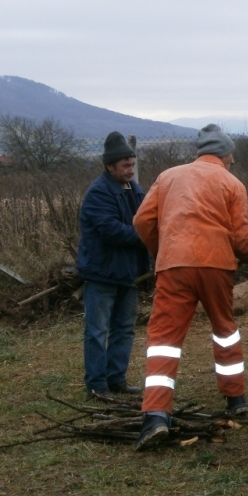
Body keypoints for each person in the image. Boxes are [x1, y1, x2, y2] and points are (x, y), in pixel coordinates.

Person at [132, 124, 248, 451]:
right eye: (232, 154)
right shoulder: (231, 183)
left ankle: (155, 416)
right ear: (224, 153)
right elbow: (240, 240)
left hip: (173, 265)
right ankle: (236, 400)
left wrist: (162, 250)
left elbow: (141, 222)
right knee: (225, 330)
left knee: (163, 340)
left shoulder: (167, 177)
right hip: (216, 264)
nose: (233, 160)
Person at [78, 131, 150, 401]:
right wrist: (148, 235)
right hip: (102, 273)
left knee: (124, 329)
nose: (130, 170)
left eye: (132, 164)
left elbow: (147, 219)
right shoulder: (98, 193)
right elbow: (113, 232)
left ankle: (116, 379)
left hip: (129, 273)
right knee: (97, 332)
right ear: (110, 166)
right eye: (125, 166)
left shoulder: (135, 190)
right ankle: (97, 385)